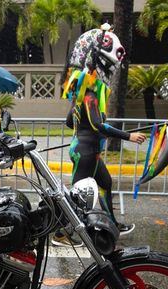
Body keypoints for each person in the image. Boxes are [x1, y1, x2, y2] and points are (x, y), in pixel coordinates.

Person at [53, 23, 146, 247]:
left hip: (87, 150)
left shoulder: (82, 94)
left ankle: (111, 224)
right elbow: (98, 126)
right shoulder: (91, 95)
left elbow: (69, 122)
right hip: (85, 153)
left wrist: (81, 129)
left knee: (106, 183)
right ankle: (60, 233)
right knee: (77, 196)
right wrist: (128, 136)